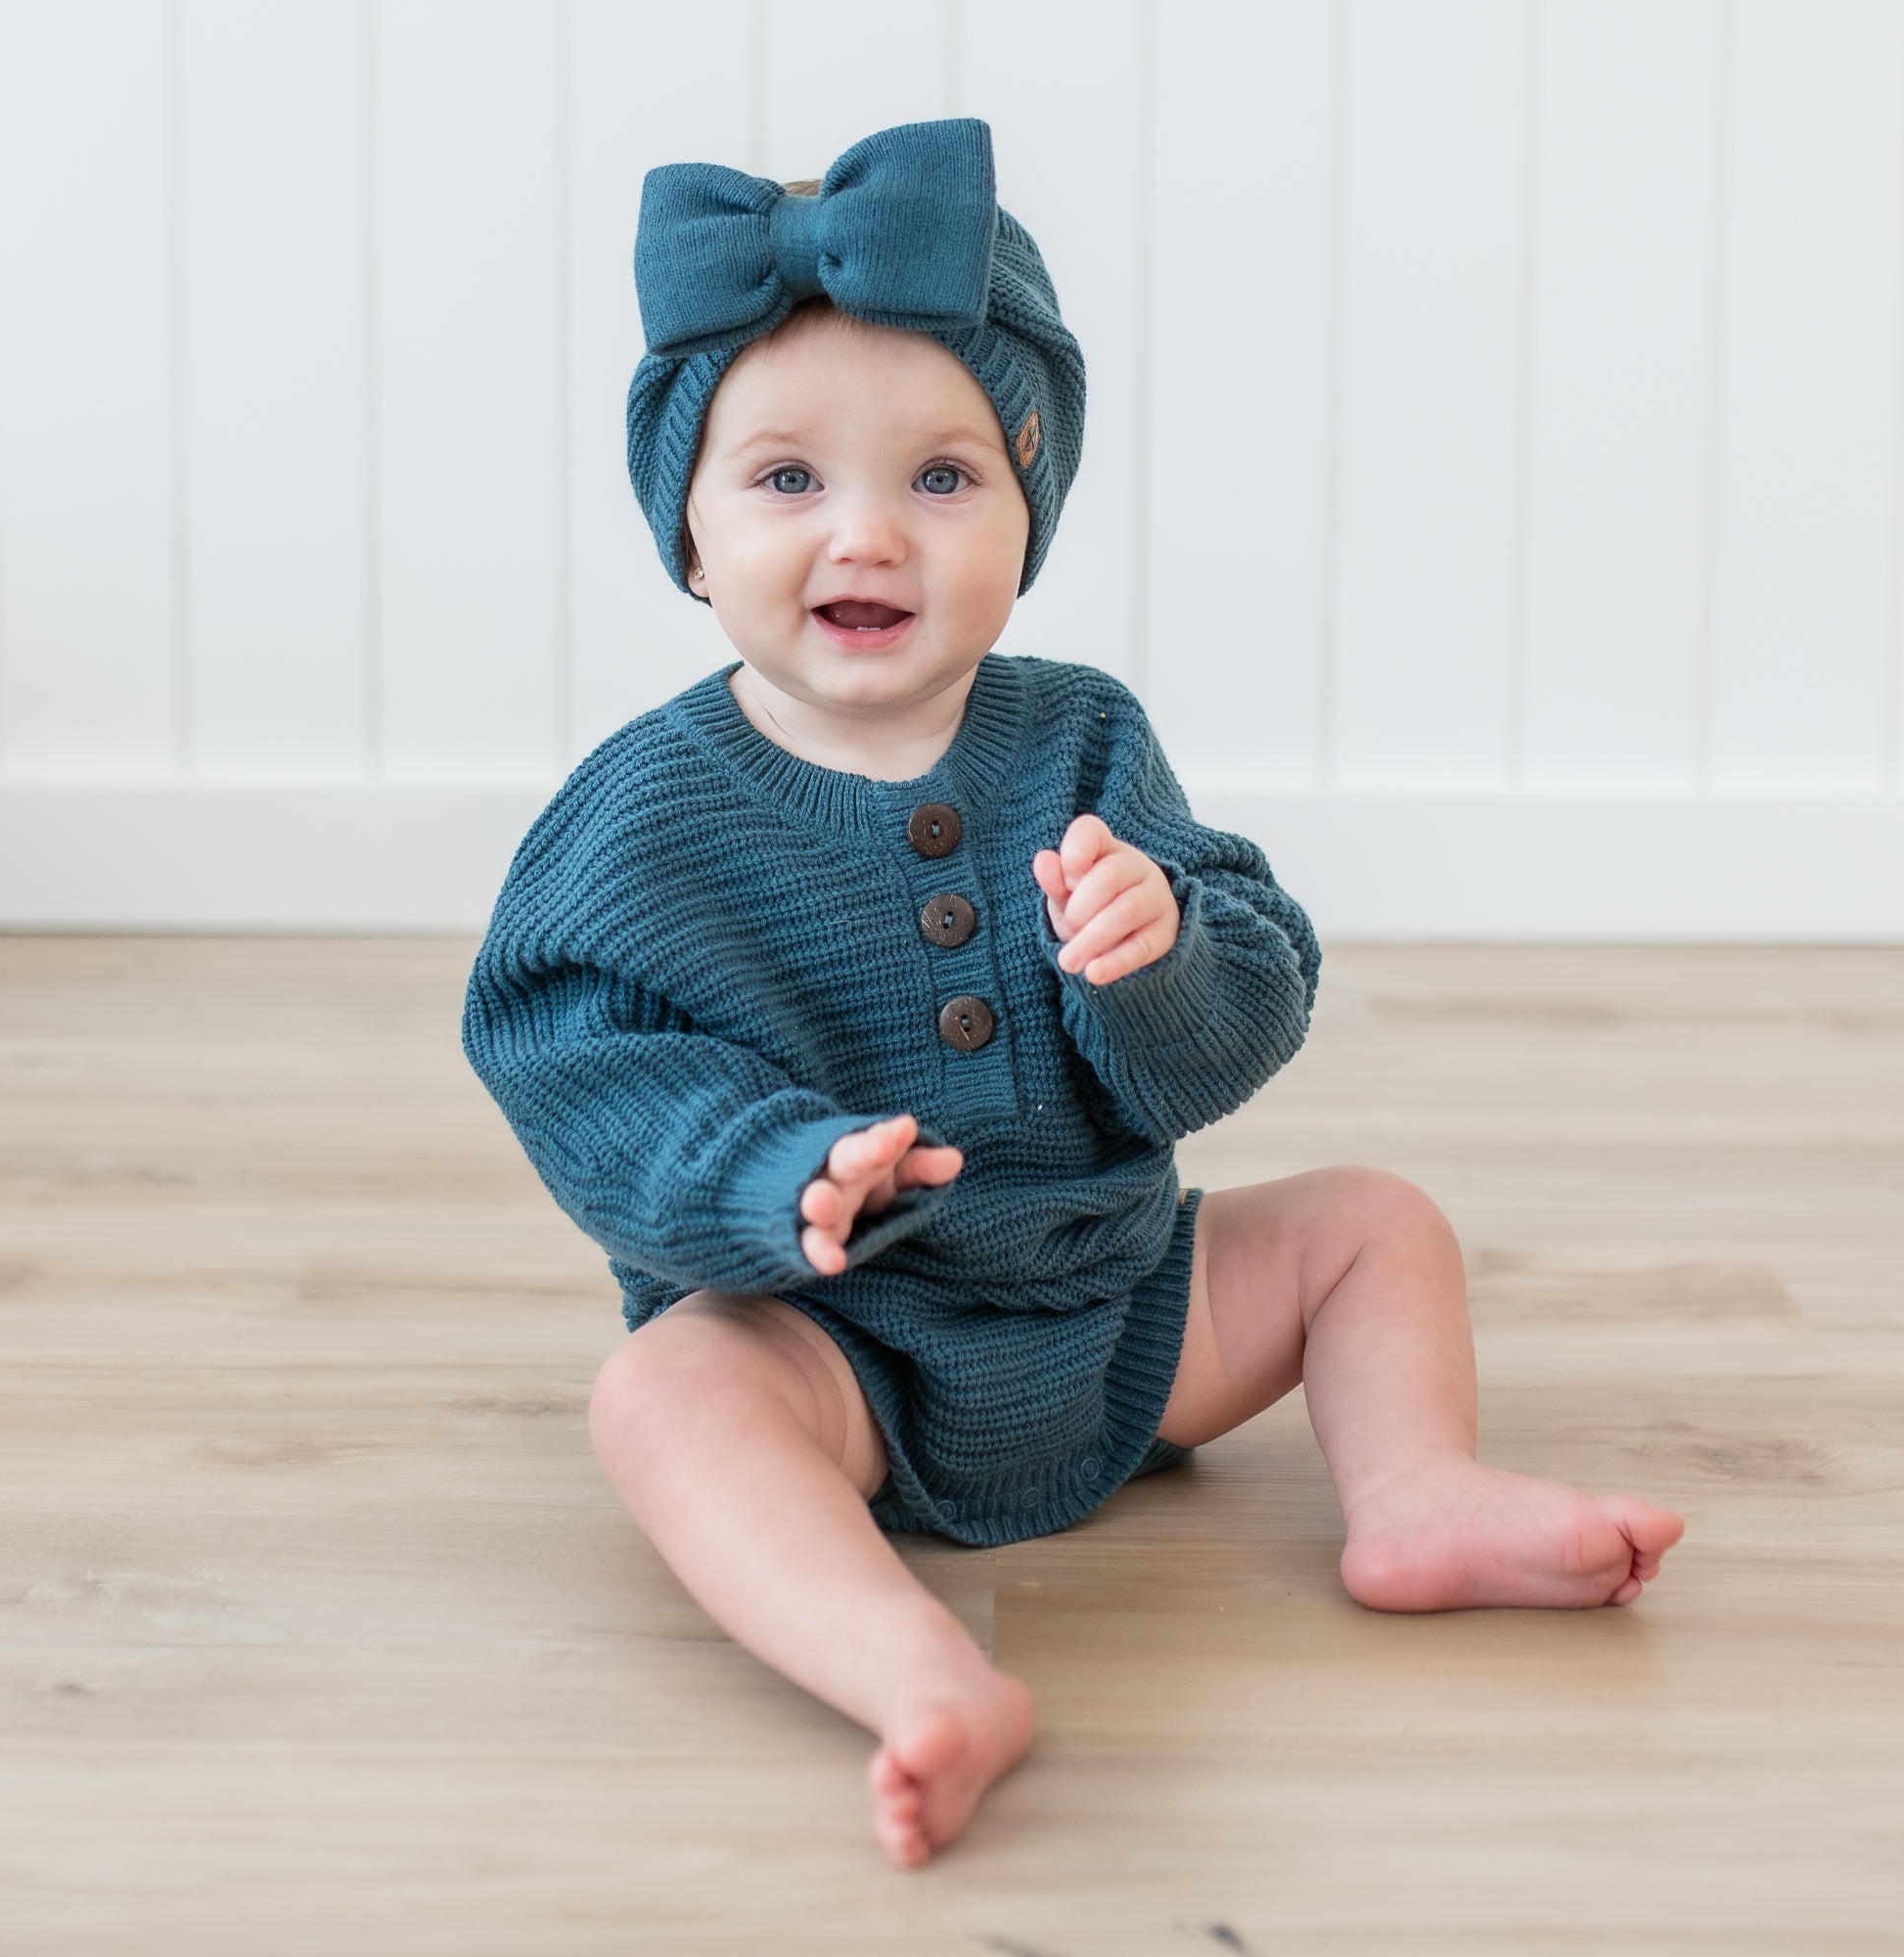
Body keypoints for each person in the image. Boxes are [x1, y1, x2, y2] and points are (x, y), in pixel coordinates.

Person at [461, 118, 1684, 1872]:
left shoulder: (1086, 738)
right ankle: (910, 1666)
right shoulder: (644, 815)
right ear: (687, 535)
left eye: (942, 478)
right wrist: (767, 1177)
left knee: (1375, 1224)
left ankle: (1418, 1499)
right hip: (843, 1359)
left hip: (1123, 1314)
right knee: (662, 1399)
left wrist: (1167, 954)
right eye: (788, 479)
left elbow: (1246, 1015)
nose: (866, 532)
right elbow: (570, 1050)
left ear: (1029, 513)